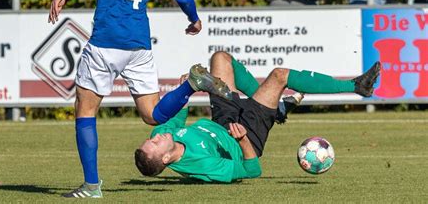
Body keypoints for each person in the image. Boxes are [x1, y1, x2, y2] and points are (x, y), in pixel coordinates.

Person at [48, 0, 224, 198]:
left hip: (106, 41)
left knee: (85, 110)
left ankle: (91, 185)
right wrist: (193, 18)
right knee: (152, 114)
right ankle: (190, 86)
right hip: (139, 43)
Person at [135, 51, 381, 183]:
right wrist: (242, 141)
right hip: (246, 135)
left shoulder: (161, 134)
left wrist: (184, 90)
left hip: (221, 118)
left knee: (221, 59)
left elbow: (177, 117)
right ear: (167, 157)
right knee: (279, 76)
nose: (155, 137)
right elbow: (252, 171)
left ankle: (279, 109)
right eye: (155, 144)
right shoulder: (203, 166)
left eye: (151, 139)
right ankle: (356, 86)